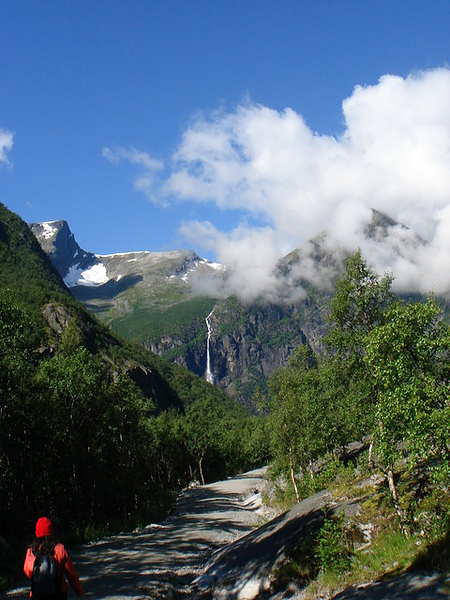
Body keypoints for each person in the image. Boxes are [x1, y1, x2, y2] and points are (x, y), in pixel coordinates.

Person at [23, 516, 84, 599]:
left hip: (37, 594)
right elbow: (71, 573)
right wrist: (79, 591)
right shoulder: (59, 549)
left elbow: (28, 571)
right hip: (59, 593)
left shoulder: (31, 552)